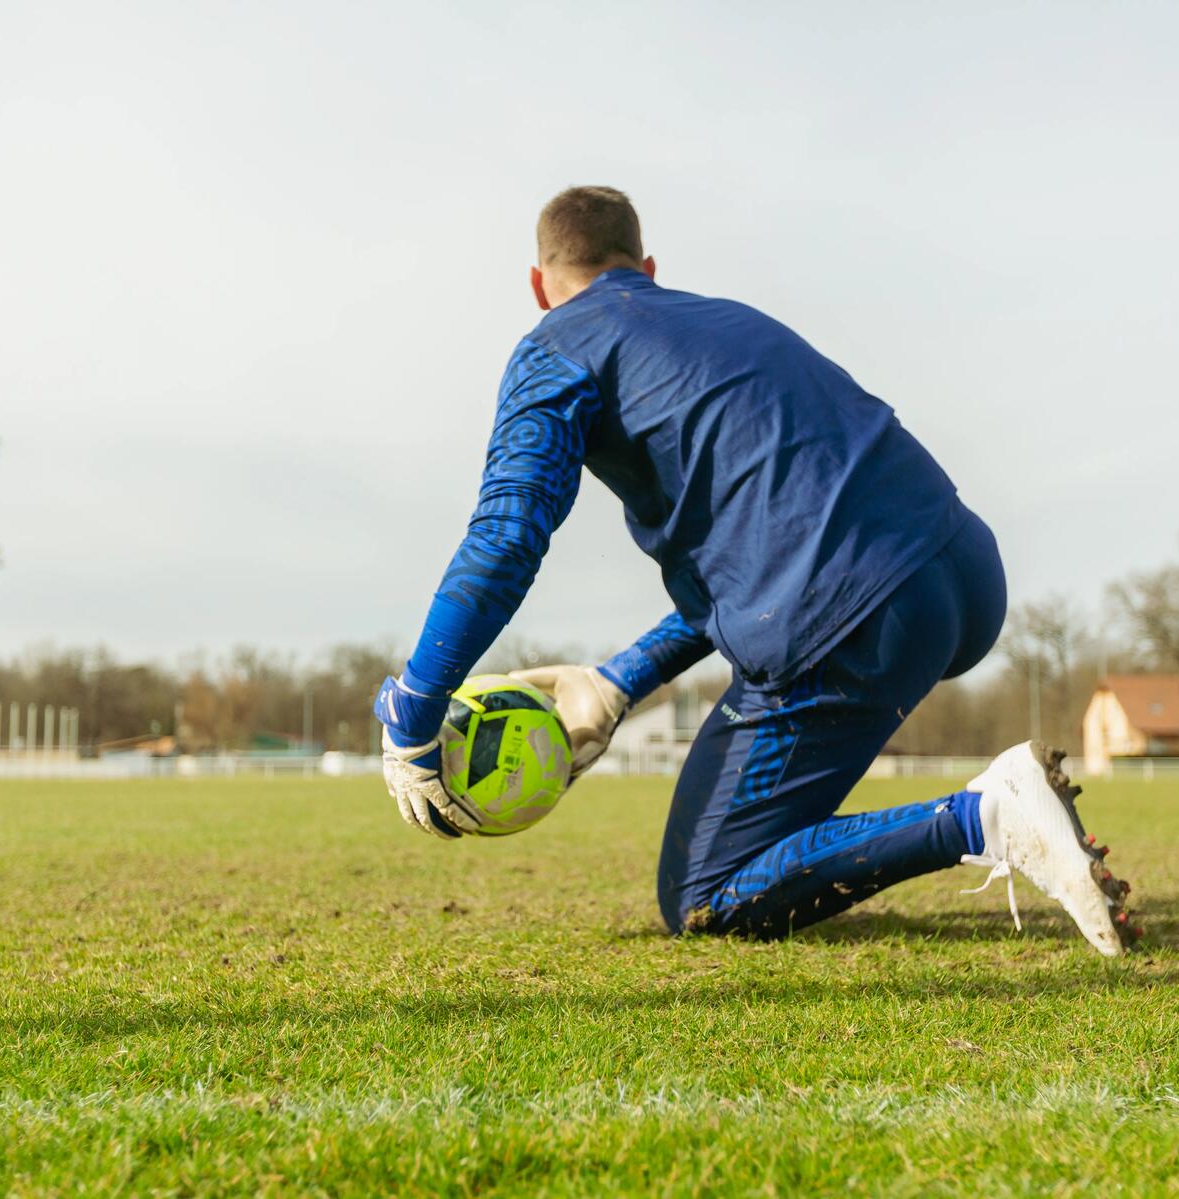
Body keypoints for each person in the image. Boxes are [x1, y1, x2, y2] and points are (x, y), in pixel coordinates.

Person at [374, 186, 1137, 955]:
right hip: (960, 573)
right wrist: (621, 680)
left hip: (855, 611)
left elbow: (506, 536)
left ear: (539, 286)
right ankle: (990, 813)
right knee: (751, 807)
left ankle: (986, 816)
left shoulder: (555, 348)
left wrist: (415, 708)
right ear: (648, 269)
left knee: (705, 892)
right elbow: (781, 543)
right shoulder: (731, 320)